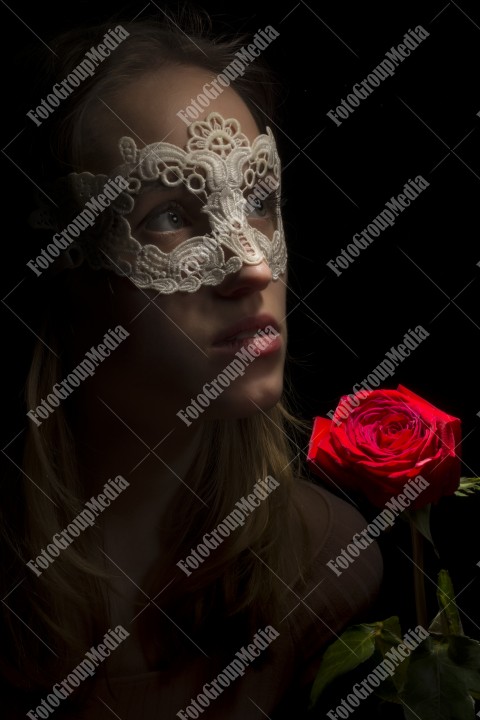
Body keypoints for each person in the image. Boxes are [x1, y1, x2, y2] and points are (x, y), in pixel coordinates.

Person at [1, 11, 383, 719]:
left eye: (261, 200)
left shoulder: (331, 566)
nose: (253, 265)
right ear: (61, 267)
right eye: (172, 214)